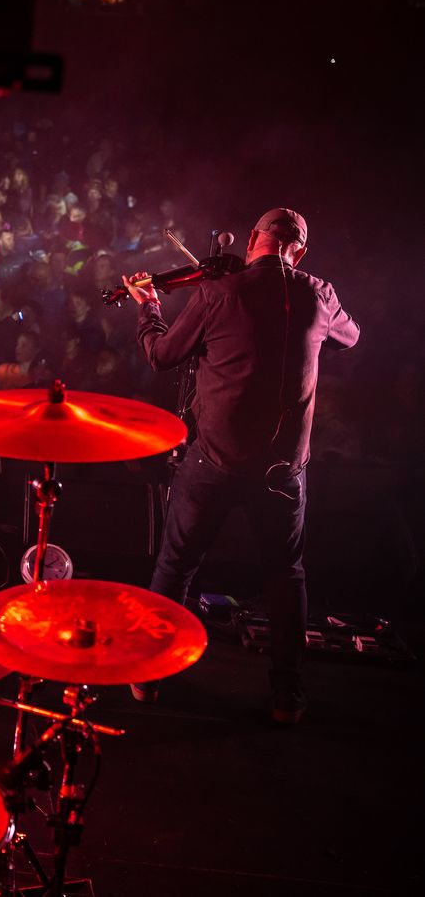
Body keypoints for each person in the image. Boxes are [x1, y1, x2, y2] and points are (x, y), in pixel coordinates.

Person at [122, 208, 359, 723]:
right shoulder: (319, 294)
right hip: (282, 471)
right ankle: (286, 697)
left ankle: (152, 678)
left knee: (177, 564)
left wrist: (149, 307)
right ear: (300, 251)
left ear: (253, 239)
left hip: (214, 460)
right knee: (285, 574)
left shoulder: (219, 292)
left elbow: (162, 355)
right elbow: (351, 337)